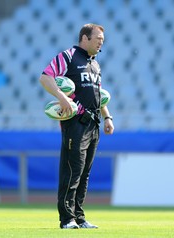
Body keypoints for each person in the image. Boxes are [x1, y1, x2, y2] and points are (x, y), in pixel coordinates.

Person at [39, 23, 114, 229]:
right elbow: (45, 77)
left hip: (93, 123)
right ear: (85, 38)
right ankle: (67, 219)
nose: (101, 43)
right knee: (72, 171)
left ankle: (79, 217)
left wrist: (107, 117)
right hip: (75, 122)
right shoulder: (68, 56)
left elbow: (98, 95)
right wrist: (62, 98)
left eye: (102, 40)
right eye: (98, 39)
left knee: (84, 173)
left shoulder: (95, 64)